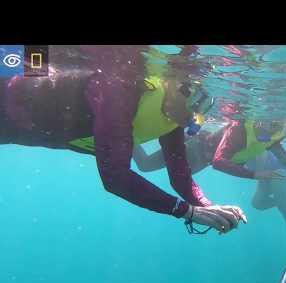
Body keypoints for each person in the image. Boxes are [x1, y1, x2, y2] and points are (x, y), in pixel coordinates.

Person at [0, 45, 246, 234]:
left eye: (205, 105)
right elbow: (115, 177)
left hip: (13, 127)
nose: (196, 114)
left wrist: (209, 207)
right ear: (172, 83)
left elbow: (180, 176)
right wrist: (187, 211)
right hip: (9, 101)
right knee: (23, 57)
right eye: (195, 100)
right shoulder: (119, 89)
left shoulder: (172, 117)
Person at [132, 118, 286, 283]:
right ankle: (124, 131)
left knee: (153, 167)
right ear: (259, 119)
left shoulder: (270, 136)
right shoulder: (240, 128)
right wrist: (255, 175)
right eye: (271, 124)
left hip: (204, 156)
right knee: (146, 164)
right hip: (197, 148)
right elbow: (219, 162)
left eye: (278, 125)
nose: (273, 130)